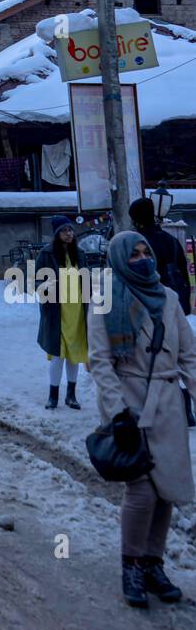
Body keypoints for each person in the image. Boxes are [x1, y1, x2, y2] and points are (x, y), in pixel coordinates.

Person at [87, 231, 196, 608]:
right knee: (142, 490)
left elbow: (189, 356)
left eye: (144, 252)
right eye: (132, 254)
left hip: (167, 404)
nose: (141, 259)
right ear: (118, 260)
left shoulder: (168, 298)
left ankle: (154, 563)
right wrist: (117, 413)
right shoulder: (106, 299)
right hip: (129, 404)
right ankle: (131, 565)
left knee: (165, 491)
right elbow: (100, 362)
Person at [130, 196, 196, 428]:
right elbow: (184, 272)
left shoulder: (139, 244)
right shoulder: (169, 239)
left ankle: (163, 408)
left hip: (150, 307)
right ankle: (186, 408)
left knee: (158, 358)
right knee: (178, 354)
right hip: (175, 303)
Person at [35, 216, 89, 410]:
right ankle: (53, 396)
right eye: (65, 230)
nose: (69, 233)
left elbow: (86, 279)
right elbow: (37, 281)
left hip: (76, 311)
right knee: (58, 354)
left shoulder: (80, 253)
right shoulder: (47, 254)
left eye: (71, 230)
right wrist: (47, 285)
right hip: (56, 311)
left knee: (74, 354)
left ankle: (71, 395)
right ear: (57, 233)